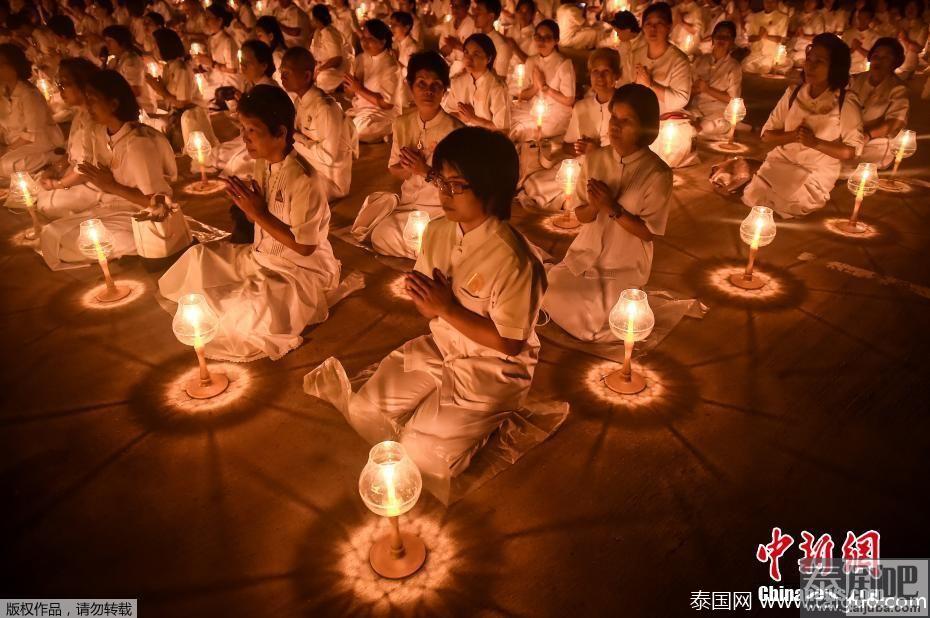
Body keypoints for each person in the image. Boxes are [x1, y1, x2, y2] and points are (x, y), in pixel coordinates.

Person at [317, 126, 546, 486]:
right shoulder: (438, 231)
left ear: (491, 188)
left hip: (492, 370)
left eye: (457, 186)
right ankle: (442, 419)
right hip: (442, 348)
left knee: (419, 456)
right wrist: (429, 302)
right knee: (364, 410)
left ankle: (489, 421)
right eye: (441, 182)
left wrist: (448, 308)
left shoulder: (516, 261)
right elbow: (428, 310)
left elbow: (510, 344)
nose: (443, 194)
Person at [159, 85, 340, 362]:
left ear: (280, 132)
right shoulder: (262, 163)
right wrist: (246, 207)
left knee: (241, 315)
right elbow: (258, 217)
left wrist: (257, 215)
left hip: (298, 272)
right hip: (260, 255)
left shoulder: (305, 180)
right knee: (197, 259)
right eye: (242, 129)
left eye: (252, 130)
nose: (243, 138)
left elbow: (304, 248)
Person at [543, 84, 671, 341]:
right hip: (586, 253)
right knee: (546, 292)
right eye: (614, 117)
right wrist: (594, 205)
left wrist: (612, 208)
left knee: (591, 326)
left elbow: (648, 233)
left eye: (626, 121)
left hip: (623, 264)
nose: (615, 127)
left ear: (645, 127)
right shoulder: (595, 159)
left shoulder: (657, 173)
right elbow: (580, 216)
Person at [38, 70, 177, 269]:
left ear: (113, 104)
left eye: (93, 100)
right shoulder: (100, 133)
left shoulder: (138, 144)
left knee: (74, 243)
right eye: (87, 99)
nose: (88, 106)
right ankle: (115, 247)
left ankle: (141, 243)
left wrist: (112, 187)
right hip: (110, 208)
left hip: (141, 215)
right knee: (51, 233)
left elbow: (161, 204)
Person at [351, 51, 462, 257]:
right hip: (410, 209)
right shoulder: (402, 124)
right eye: (421, 83)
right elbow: (394, 169)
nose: (428, 91)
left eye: (435, 85)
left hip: (442, 212)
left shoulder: (455, 131)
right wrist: (407, 167)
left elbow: (458, 190)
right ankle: (431, 254)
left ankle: (431, 253)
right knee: (380, 235)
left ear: (444, 90)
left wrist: (425, 171)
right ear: (410, 87)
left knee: (447, 237)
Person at [742, 33, 863, 218]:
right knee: (754, 197)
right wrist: (793, 136)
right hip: (781, 161)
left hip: (816, 170)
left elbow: (850, 152)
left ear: (835, 67)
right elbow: (766, 136)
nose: (810, 66)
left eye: (820, 61)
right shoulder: (794, 92)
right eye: (809, 59)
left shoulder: (845, 101)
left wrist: (815, 143)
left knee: (789, 205)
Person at [520, 47, 619, 211]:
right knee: (534, 183)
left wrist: (597, 152)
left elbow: (630, 150)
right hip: (583, 166)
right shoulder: (582, 106)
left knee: (587, 196)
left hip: (612, 171)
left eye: (606, 71)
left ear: (617, 75)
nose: (600, 77)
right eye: (595, 71)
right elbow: (567, 144)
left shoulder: (623, 106)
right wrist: (578, 148)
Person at [279, 47, 356, 200]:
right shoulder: (298, 102)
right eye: (281, 72)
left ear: (307, 76)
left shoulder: (325, 108)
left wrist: (294, 139)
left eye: (287, 73)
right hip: (308, 167)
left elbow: (328, 157)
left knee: (285, 195)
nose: (282, 77)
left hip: (329, 179)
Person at [36, 58, 108, 219]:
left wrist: (58, 184)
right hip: (74, 176)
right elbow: (70, 154)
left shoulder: (96, 119)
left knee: (45, 204)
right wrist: (55, 169)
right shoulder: (79, 114)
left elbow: (86, 170)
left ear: (83, 84)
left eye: (65, 84)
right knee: (37, 188)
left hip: (93, 186)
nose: (60, 90)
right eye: (58, 84)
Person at [624, 2, 694, 168]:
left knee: (656, 161)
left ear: (669, 27)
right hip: (641, 121)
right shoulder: (636, 55)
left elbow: (680, 100)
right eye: (648, 24)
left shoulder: (679, 60)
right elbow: (627, 87)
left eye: (659, 24)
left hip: (669, 122)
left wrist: (651, 84)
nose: (653, 29)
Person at [0, 43, 65, 179]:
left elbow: (32, 133)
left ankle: (52, 156)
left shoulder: (28, 94)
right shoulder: (3, 91)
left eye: (2, 65)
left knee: (5, 165)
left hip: (40, 142)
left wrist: (8, 149)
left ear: (14, 66)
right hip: (14, 143)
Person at [848, 37, 908, 169]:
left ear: (895, 62)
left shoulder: (898, 88)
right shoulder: (857, 79)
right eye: (876, 55)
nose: (878, 60)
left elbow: (895, 122)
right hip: (849, 136)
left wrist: (867, 135)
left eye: (886, 57)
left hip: (874, 142)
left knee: (846, 168)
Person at [511, 20, 575, 141]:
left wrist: (545, 87)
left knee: (520, 131)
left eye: (547, 37)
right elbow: (523, 95)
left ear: (556, 40)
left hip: (556, 115)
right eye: (538, 36)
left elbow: (569, 100)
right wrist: (535, 87)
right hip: (533, 108)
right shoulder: (531, 61)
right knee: (506, 120)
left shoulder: (564, 63)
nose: (542, 41)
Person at [344, 19, 400, 143]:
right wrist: (349, 87)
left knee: (358, 130)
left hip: (382, 113)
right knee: (336, 122)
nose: (364, 42)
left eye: (370, 39)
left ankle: (392, 128)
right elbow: (349, 94)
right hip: (361, 111)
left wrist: (359, 89)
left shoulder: (390, 66)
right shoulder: (359, 59)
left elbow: (387, 104)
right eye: (363, 37)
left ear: (382, 42)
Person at [442, 33, 511, 131]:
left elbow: (503, 130)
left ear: (488, 59)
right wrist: (462, 117)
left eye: (476, 54)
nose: (469, 59)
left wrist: (474, 119)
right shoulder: (457, 82)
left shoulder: (497, 87)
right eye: (466, 52)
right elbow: (448, 114)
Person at [688, 20, 742, 137]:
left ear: (732, 42)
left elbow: (733, 100)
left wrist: (707, 90)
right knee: (680, 122)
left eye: (727, 36)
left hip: (718, 114)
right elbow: (688, 89)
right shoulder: (701, 60)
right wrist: (694, 91)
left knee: (704, 128)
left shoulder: (734, 67)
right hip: (696, 109)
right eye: (719, 35)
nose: (722, 39)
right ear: (713, 38)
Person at [102, 24, 156, 112]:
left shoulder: (131, 61)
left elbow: (135, 91)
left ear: (122, 42)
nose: (107, 45)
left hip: (141, 108)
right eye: (106, 41)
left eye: (110, 41)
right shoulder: (114, 61)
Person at [741, 0, 790, 74]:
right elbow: (750, 38)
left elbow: (782, 39)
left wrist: (766, 36)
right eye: (767, 1)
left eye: (772, 1)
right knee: (746, 68)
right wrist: (759, 37)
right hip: (755, 54)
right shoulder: (755, 16)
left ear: (776, 2)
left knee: (764, 69)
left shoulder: (783, 18)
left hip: (770, 54)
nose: (769, 4)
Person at [309, 4, 349, 93]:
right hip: (322, 66)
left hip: (335, 70)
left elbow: (337, 59)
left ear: (316, 19)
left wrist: (319, 69)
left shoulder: (329, 33)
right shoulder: (317, 32)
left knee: (322, 77)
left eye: (312, 18)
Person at [473, 0, 514, 76]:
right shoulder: (474, 38)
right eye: (475, 11)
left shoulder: (501, 46)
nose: (475, 15)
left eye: (479, 12)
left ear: (491, 16)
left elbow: (500, 80)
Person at [438, 0, 477, 75]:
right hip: (449, 69)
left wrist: (457, 45)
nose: (455, 9)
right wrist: (451, 46)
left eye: (459, 6)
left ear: (467, 7)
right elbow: (442, 51)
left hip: (467, 71)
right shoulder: (447, 26)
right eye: (452, 6)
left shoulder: (474, 25)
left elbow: (475, 52)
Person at [843, 4, 878, 75]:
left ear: (871, 20)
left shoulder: (875, 36)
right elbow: (842, 53)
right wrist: (852, 49)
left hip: (863, 72)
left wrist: (858, 48)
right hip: (847, 70)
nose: (862, 21)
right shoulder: (848, 33)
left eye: (866, 18)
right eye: (860, 18)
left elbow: (872, 57)